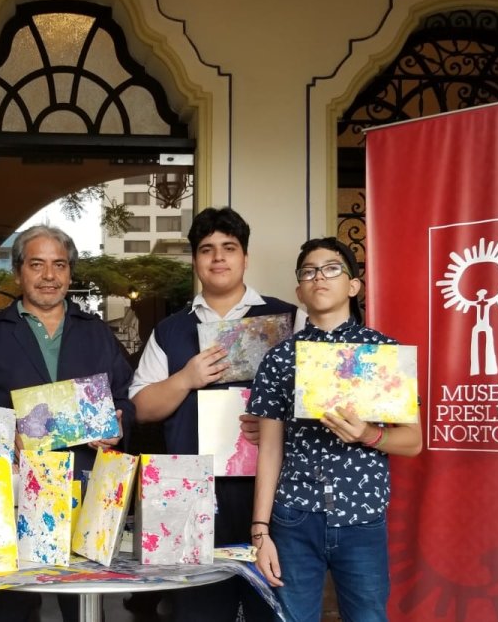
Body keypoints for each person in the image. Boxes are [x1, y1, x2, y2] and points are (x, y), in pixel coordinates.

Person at [0, 224, 135, 622]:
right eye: (37, 264)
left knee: (86, 603)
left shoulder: (97, 333)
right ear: (18, 273)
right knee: (12, 606)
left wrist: (118, 423)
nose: (49, 276)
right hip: (11, 491)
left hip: (86, 485)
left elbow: (124, 399)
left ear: (69, 274)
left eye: (59, 265)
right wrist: (3, 436)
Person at [130, 207, 296, 622]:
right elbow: (142, 409)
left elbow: (315, 403)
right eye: (207, 250)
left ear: (245, 258)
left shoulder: (286, 320)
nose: (218, 258)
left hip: (271, 492)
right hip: (192, 496)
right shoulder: (170, 330)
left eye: (229, 248)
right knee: (198, 610)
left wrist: (279, 423)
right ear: (195, 261)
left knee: (270, 606)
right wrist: (185, 378)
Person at [248, 238, 423, 622]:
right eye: (309, 272)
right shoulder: (280, 359)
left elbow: (413, 441)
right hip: (294, 517)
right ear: (300, 290)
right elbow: (271, 449)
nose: (319, 277)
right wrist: (260, 531)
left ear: (353, 285)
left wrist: (368, 435)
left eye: (331, 269)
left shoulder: (383, 354)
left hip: (362, 517)